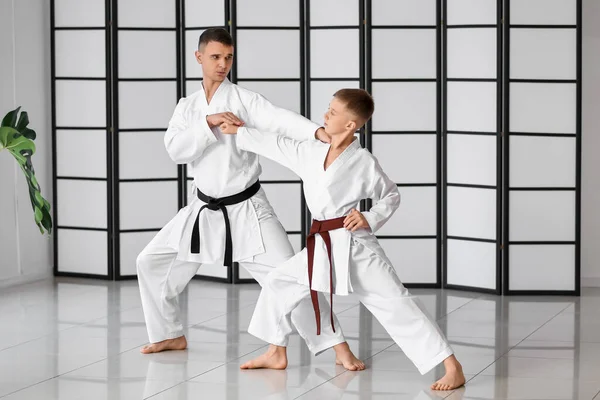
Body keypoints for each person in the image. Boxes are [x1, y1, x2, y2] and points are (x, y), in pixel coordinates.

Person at [135, 27, 364, 370]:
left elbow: (280, 120)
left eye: (228, 57)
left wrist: (318, 133)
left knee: (290, 277)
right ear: (199, 57)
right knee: (150, 262)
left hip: (248, 209)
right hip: (201, 210)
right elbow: (175, 150)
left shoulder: (244, 99)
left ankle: (338, 348)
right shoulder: (188, 108)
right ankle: (168, 333)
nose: (223, 64)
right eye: (215, 57)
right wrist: (209, 122)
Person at [219, 88, 466, 391]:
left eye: (333, 113)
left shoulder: (363, 162)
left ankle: (452, 367)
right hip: (322, 245)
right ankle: (276, 351)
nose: (325, 115)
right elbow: (277, 144)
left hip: (355, 246)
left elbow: (391, 194)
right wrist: (241, 132)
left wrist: (369, 217)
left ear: (351, 125)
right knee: (279, 281)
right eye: (329, 108)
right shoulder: (312, 151)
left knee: (396, 303)